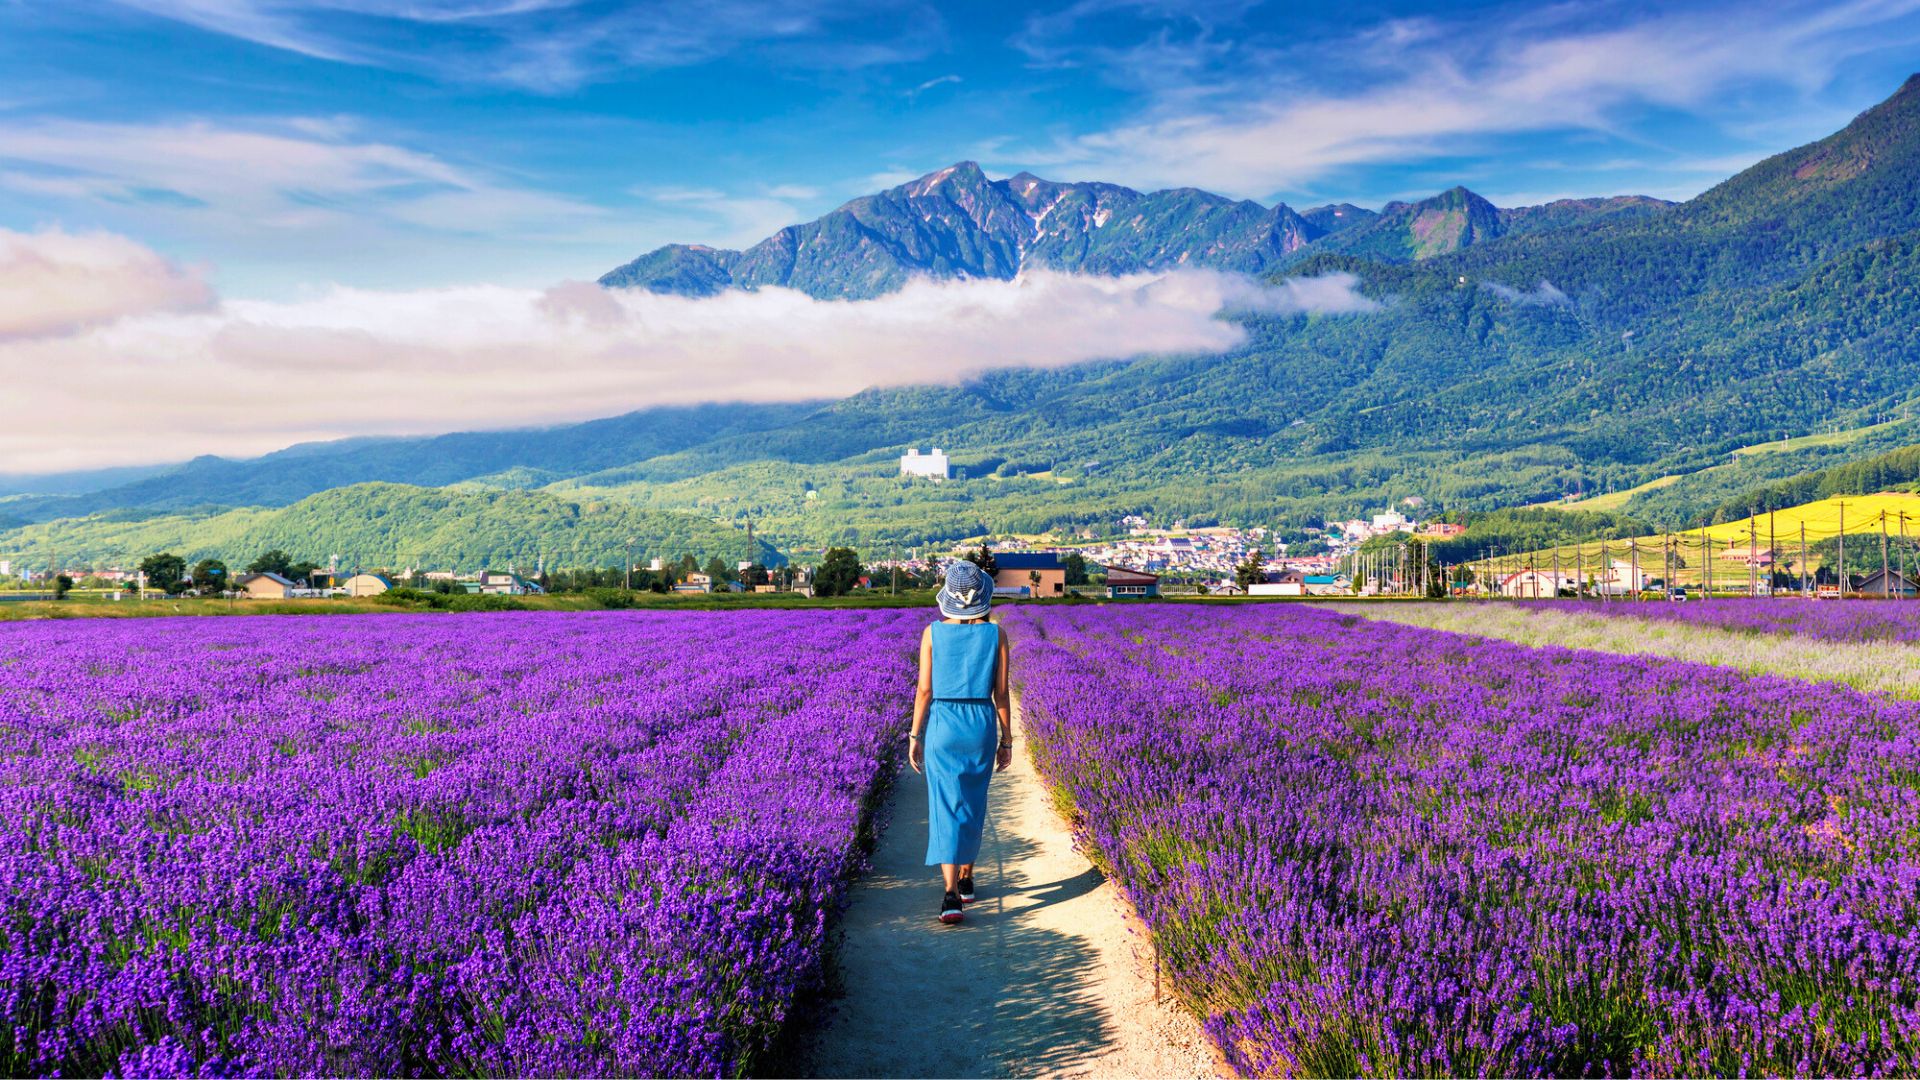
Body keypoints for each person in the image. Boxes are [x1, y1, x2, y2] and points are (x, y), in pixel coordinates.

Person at [909, 560, 1014, 924]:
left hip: (943, 722)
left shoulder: (932, 633)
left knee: (945, 805)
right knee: (973, 800)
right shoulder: (996, 635)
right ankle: (969, 878)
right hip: (979, 723)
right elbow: (1001, 695)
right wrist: (1007, 741)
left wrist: (915, 735)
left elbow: (924, 690)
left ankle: (950, 894)